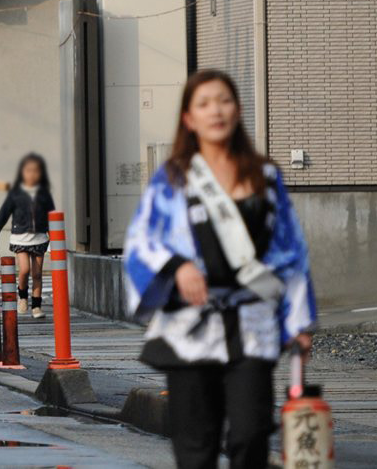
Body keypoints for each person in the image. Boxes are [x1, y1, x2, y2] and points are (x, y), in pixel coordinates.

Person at [124, 70, 316, 469]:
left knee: (251, 433)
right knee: (196, 445)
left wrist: (298, 322)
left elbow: (291, 252)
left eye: (224, 101)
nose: (216, 111)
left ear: (238, 110)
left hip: (252, 323)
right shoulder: (173, 179)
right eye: (204, 103)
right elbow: (141, 242)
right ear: (189, 118)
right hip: (191, 327)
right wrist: (177, 267)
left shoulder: (265, 176)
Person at [0, 152, 56, 318]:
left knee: (37, 273)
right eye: (28, 170)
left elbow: (52, 215)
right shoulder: (15, 194)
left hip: (39, 237)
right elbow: (3, 214)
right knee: (24, 269)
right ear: (22, 172)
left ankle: (37, 306)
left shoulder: (44, 194)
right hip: (20, 237)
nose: (32, 174)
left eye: (36, 171)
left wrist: (54, 238)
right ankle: (23, 297)